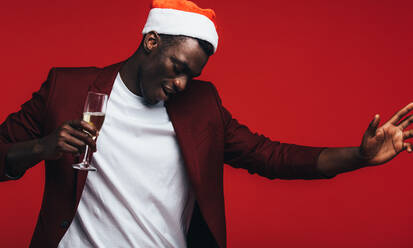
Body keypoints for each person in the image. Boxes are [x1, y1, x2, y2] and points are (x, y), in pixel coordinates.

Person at [1, 0, 412, 247]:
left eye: (190, 76)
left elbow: (270, 156)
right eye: (177, 66)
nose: (181, 83)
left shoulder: (201, 106)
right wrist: (40, 148)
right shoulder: (67, 88)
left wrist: (359, 156)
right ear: (151, 41)